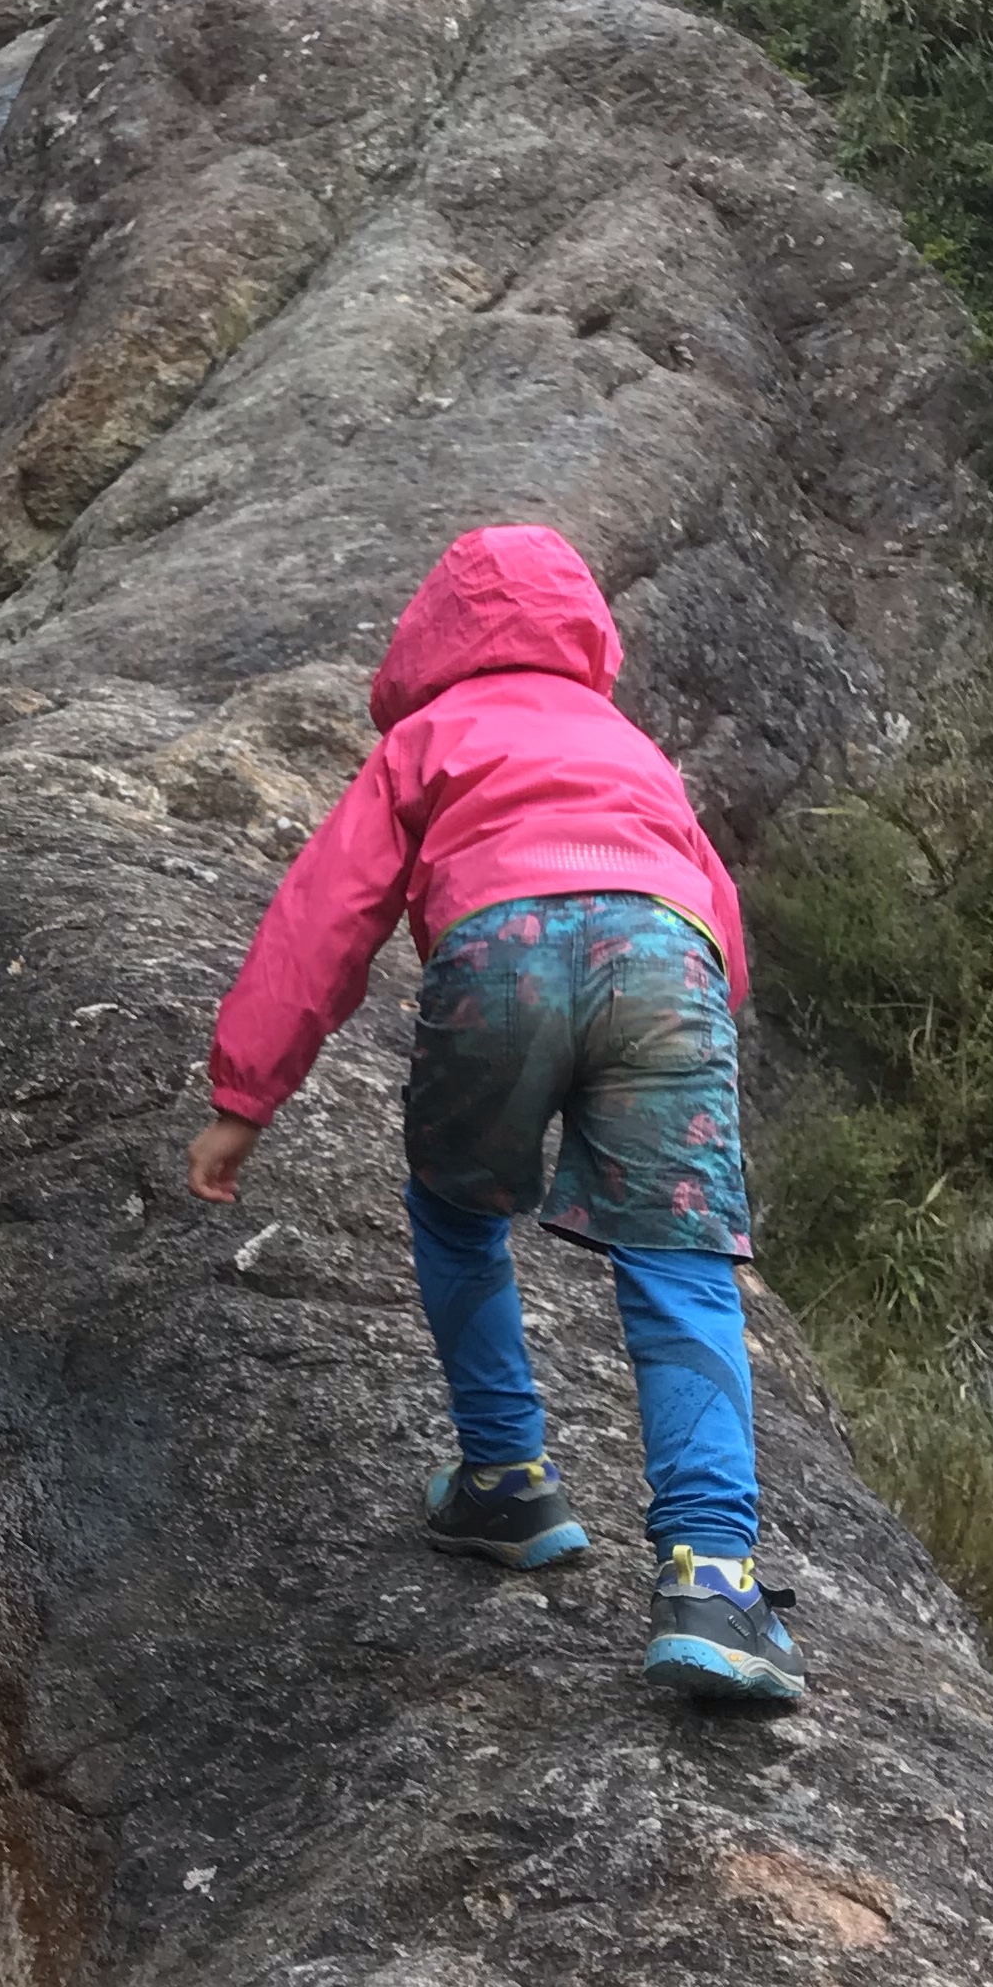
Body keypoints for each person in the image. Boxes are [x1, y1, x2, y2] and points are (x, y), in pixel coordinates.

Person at [188, 524, 804, 1708]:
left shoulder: (425, 739)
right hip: (664, 969)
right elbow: (719, 924)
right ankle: (713, 1585)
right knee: (680, 1264)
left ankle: (508, 1479)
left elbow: (324, 917)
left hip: (500, 956)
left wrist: (244, 1097)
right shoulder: (627, 745)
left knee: (458, 1211)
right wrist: (683, 1056)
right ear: (583, 634)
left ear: (435, 635)